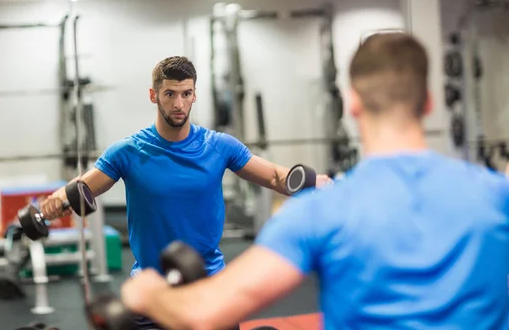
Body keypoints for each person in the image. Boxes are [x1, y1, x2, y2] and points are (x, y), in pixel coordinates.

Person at [119, 33, 509, 330]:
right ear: (428, 102)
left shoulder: (319, 214)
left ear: (352, 103)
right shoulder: (496, 194)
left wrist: (147, 294)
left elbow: (205, 313)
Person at [39, 56, 332, 329]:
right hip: (153, 292)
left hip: (210, 288)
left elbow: (276, 176)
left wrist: (313, 182)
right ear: (154, 95)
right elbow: (83, 187)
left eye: (186, 93)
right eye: (170, 94)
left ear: (194, 94)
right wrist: (57, 202)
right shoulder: (128, 152)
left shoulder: (219, 146)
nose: (179, 103)